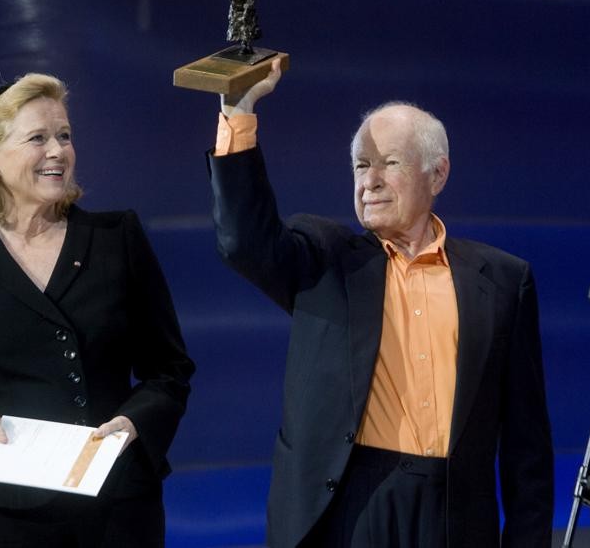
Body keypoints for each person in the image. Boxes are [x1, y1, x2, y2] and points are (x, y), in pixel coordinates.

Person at [206, 59, 553, 547]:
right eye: (361, 166)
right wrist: (238, 113)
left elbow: (527, 445)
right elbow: (244, 241)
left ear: (438, 174)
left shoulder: (501, 280)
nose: (370, 181)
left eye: (389, 163)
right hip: (348, 507)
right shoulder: (325, 260)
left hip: (453, 514)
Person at [0, 73, 195, 547]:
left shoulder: (116, 238)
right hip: (10, 516)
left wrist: (135, 421)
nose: (58, 151)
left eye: (65, 136)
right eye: (38, 138)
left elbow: (170, 370)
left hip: (118, 503)